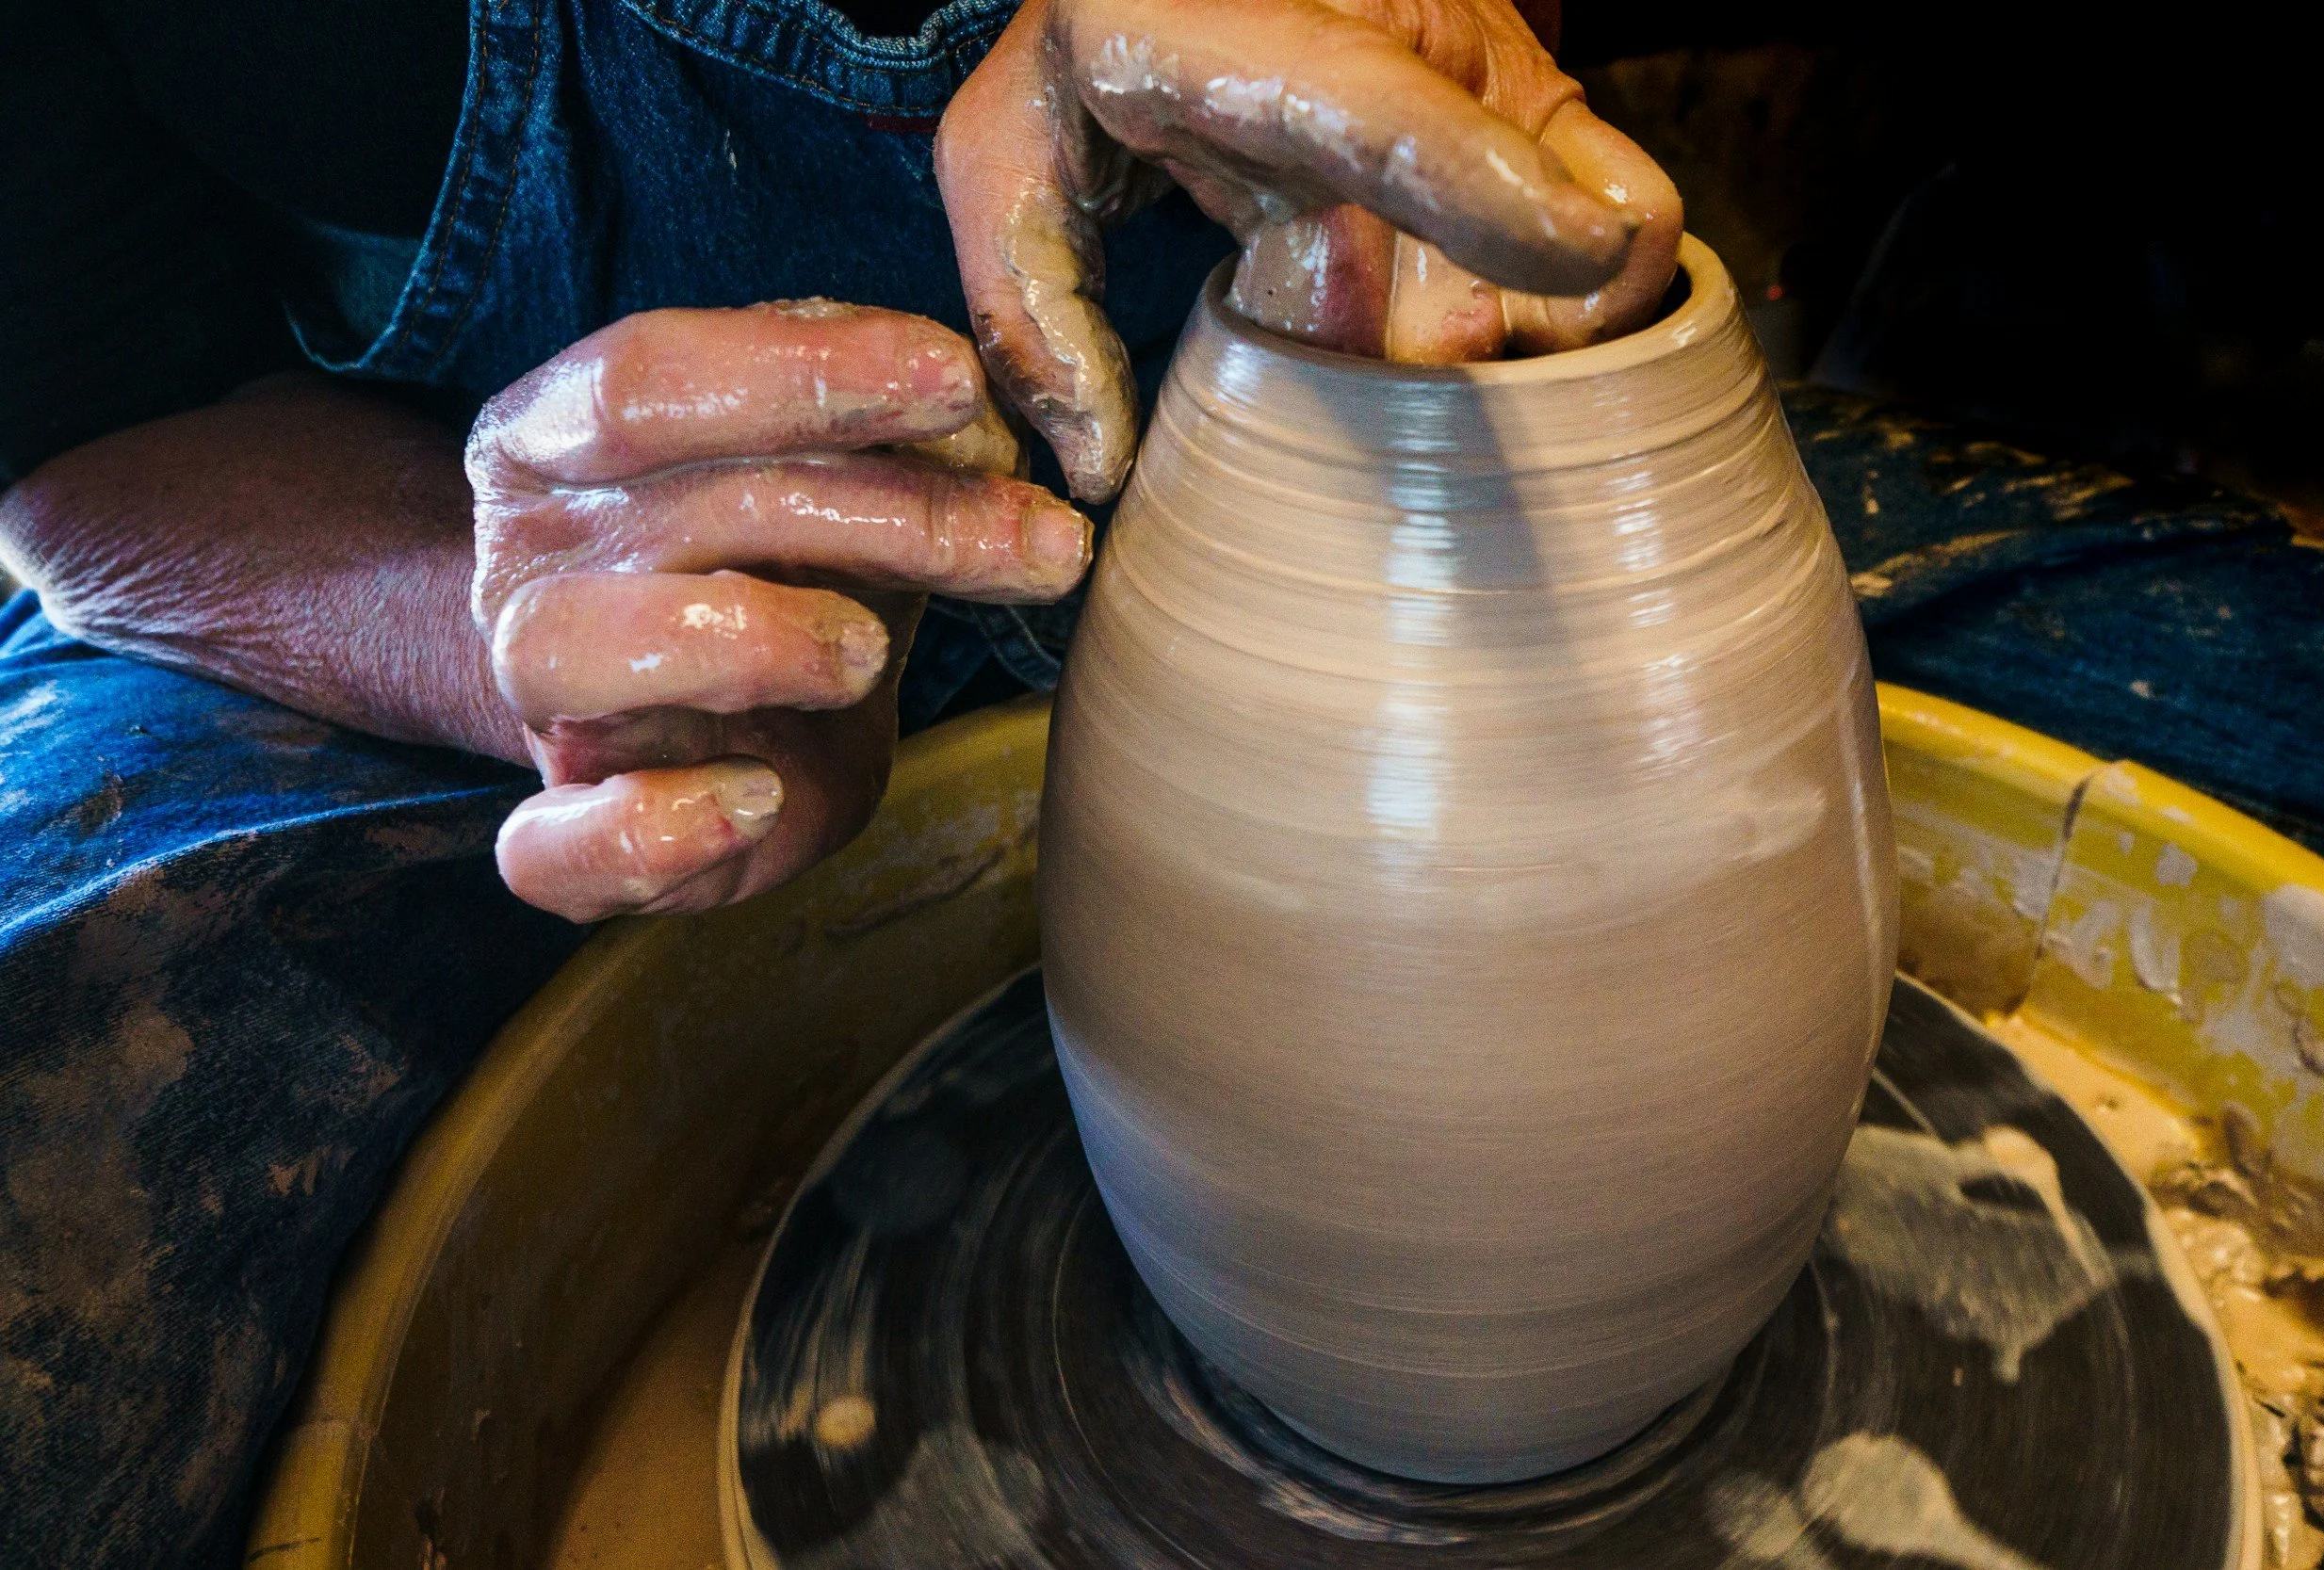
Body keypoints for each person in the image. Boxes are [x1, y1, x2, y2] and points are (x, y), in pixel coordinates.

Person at [0, 1, 1682, 1562]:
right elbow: (93, 443)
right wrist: (539, 621)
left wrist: (1438, 77)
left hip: (1372, 470)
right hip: (447, 543)